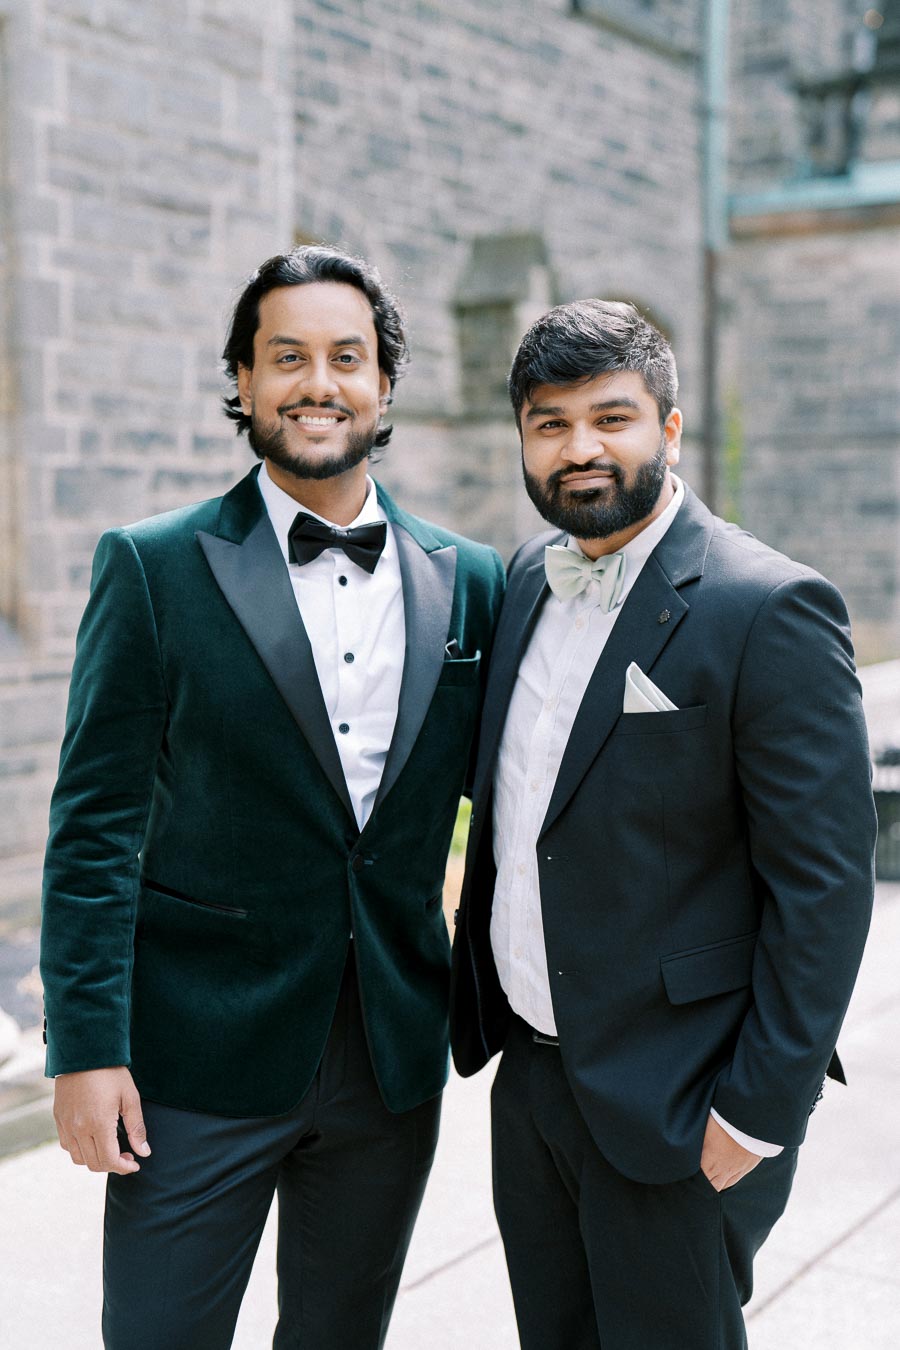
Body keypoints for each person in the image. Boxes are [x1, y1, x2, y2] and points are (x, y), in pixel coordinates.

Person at [40, 244, 505, 1350]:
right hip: (195, 1058)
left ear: (386, 384)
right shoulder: (152, 567)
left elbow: (527, 803)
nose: (317, 382)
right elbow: (95, 829)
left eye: (347, 357)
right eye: (285, 356)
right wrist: (84, 1049)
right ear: (242, 382)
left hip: (391, 1057)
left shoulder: (473, 580)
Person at [450, 299, 875, 1349]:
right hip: (535, 1082)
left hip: (684, 1099)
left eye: (612, 417)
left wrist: (758, 1112)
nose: (580, 447)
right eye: (550, 424)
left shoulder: (768, 607)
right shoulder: (521, 585)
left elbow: (824, 888)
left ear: (670, 429)